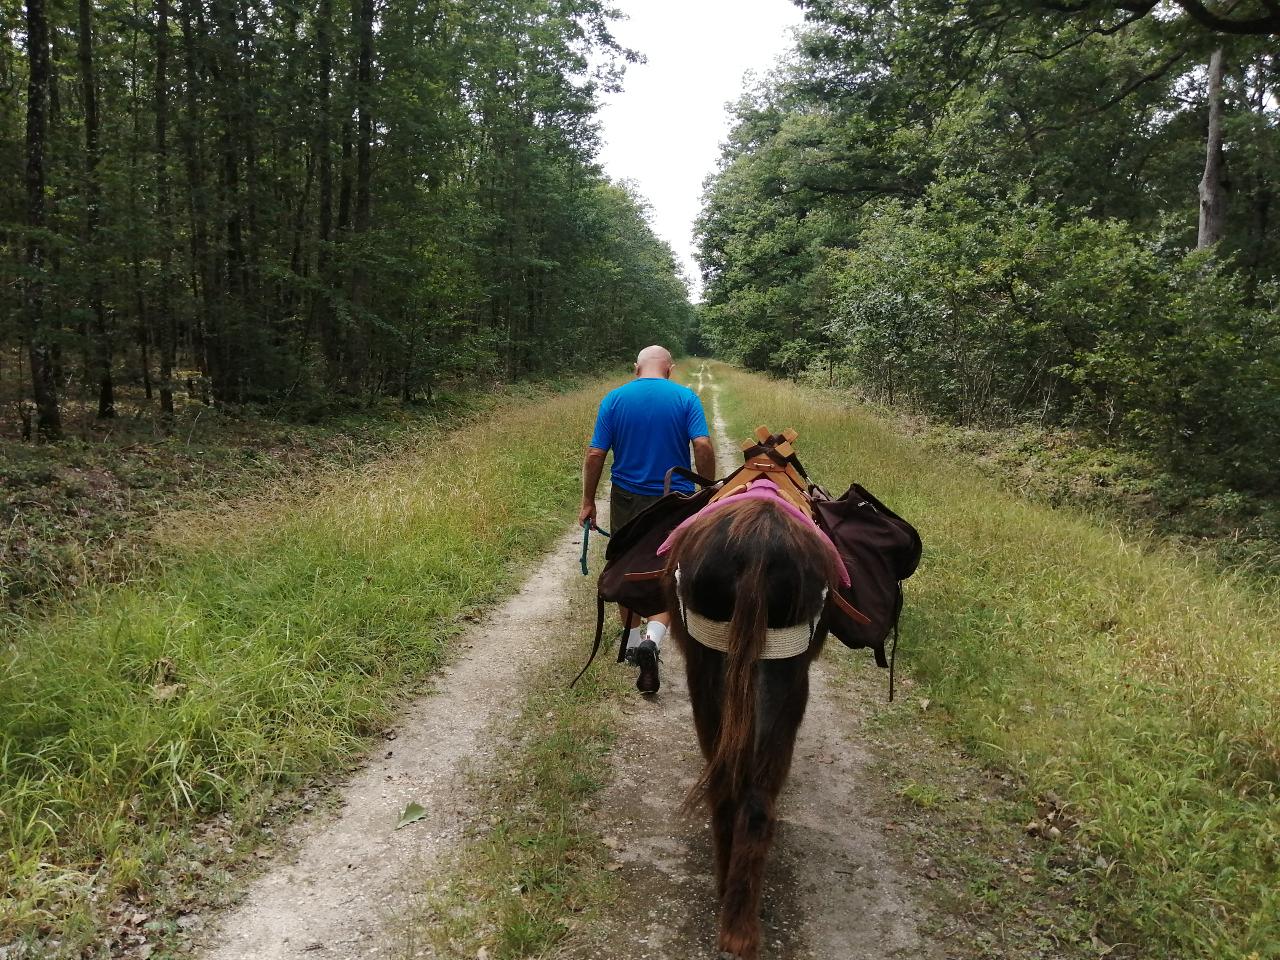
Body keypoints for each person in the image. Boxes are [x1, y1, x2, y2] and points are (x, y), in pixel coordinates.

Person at [579, 345, 716, 693]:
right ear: (669, 369)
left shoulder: (614, 398)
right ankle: (652, 641)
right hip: (675, 499)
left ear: (635, 368)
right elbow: (702, 445)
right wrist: (709, 490)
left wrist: (588, 501)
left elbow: (596, 452)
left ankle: (630, 644)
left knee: (626, 565)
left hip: (627, 496)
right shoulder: (686, 398)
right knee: (669, 571)